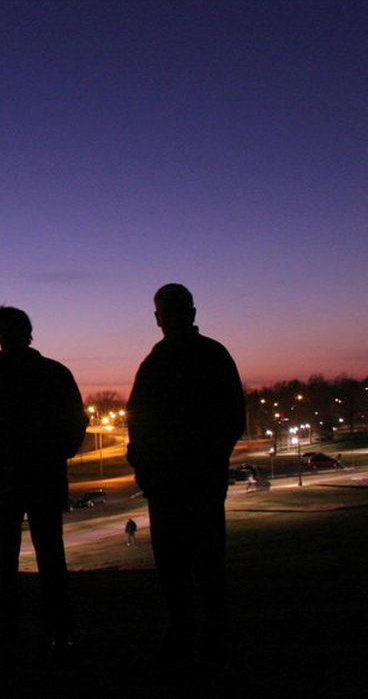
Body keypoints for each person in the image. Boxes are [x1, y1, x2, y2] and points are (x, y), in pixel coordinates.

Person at [126, 283, 245, 671]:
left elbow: (138, 421)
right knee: (205, 563)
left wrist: (144, 465)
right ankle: (211, 639)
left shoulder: (157, 361)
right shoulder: (212, 355)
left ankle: (186, 635)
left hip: (173, 480)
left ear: (159, 318)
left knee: (178, 566)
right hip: (195, 478)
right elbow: (231, 419)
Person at [0, 306, 87, 651]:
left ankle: (8, 630)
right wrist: (61, 452)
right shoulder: (53, 373)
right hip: (44, 475)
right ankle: (60, 630)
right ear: (29, 331)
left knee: (6, 559)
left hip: (2, 480)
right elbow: (76, 420)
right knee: (51, 554)